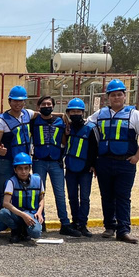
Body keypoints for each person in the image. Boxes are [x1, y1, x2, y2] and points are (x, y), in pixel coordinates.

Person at [86, 79, 139, 244]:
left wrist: (137, 157)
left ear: (124, 96)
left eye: (119, 95)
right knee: (106, 196)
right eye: (113, 95)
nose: (116, 98)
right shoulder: (100, 114)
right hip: (104, 162)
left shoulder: (134, 115)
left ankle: (123, 230)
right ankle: (109, 226)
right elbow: (86, 126)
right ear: (108, 97)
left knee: (123, 197)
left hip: (125, 163)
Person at [31, 95, 81, 237]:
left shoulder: (60, 122)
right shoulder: (34, 121)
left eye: (49, 104)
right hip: (39, 161)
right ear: (39, 106)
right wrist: (60, 114)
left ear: (53, 106)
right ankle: (41, 221)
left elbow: (64, 141)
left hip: (56, 162)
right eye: (44, 104)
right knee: (39, 193)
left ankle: (64, 223)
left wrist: (62, 119)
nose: (47, 107)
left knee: (60, 194)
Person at [0, 85, 34, 198]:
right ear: (9, 101)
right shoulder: (0, 120)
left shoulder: (27, 114)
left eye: (21, 101)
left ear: (24, 102)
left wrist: (61, 115)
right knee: (5, 192)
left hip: (22, 162)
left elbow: (40, 114)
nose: (18, 103)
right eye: (15, 100)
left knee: (20, 192)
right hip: (5, 162)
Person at [64, 98, 97, 238]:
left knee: (84, 198)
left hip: (85, 169)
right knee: (72, 197)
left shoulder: (90, 128)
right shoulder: (67, 128)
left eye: (78, 111)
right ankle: (75, 221)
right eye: (73, 112)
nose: (75, 114)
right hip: (70, 167)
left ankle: (83, 224)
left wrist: (93, 165)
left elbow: (95, 148)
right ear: (68, 113)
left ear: (83, 113)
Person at [0, 153, 44, 243]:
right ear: (15, 170)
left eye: (26, 168)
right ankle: (16, 230)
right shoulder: (11, 182)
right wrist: (23, 215)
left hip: (32, 213)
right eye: (20, 168)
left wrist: (39, 212)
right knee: (3, 213)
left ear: (30, 169)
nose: (23, 171)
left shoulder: (38, 180)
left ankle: (25, 231)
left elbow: (42, 199)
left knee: (36, 233)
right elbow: (6, 203)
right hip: (17, 213)